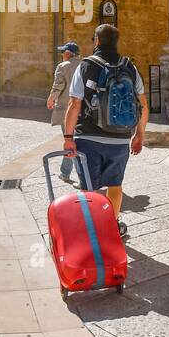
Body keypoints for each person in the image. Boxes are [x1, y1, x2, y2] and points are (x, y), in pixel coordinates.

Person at [62, 23, 148, 240]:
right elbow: (143, 104)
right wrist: (139, 135)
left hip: (88, 137)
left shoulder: (86, 65)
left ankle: (92, 229)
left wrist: (68, 137)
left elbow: (74, 104)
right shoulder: (130, 67)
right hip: (120, 138)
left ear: (97, 41)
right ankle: (112, 224)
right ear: (116, 42)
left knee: (89, 188)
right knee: (115, 185)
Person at [47, 41, 81, 183]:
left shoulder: (62, 66)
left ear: (67, 54)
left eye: (63, 52)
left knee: (69, 141)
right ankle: (65, 173)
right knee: (75, 141)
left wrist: (50, 99)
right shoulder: (84, 65)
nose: (62, 55)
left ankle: (81, 177)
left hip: (67, 110)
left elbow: (58, 86)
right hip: (83, 110)